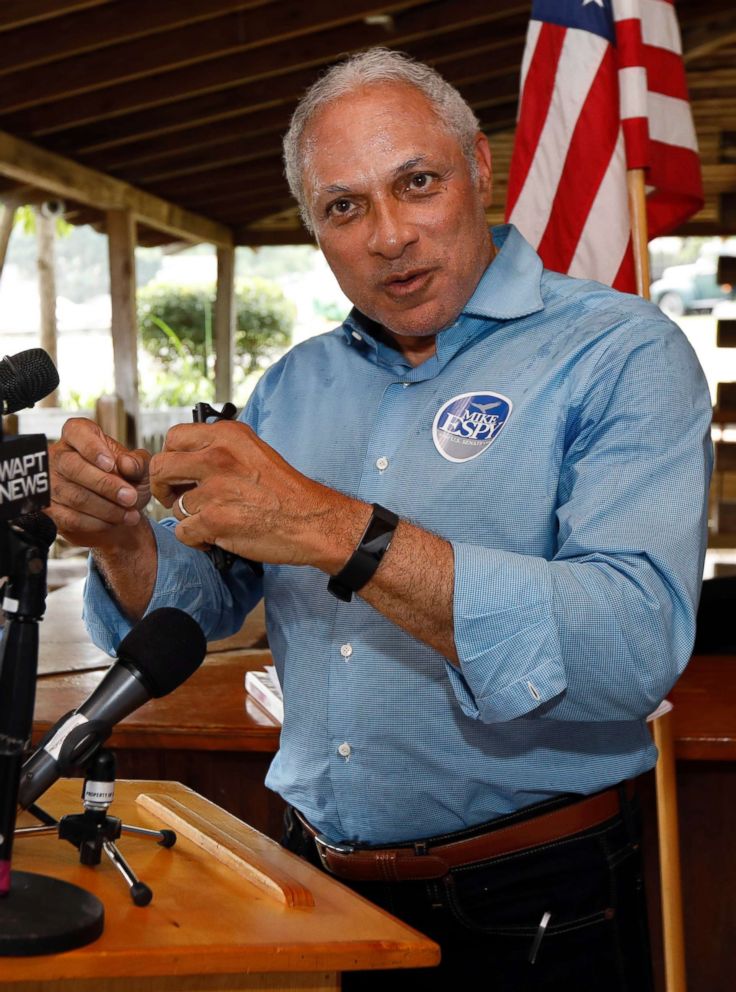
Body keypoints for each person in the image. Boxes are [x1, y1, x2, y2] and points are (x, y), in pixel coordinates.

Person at [48, 49, 712, 991]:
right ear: (316, 228)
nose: (390, 235)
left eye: (418, 183)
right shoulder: (294, 383)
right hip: (308, 882)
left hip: (530, 899)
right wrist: (119, 537)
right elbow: (202, 611)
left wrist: (337, 530)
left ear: (479, 168)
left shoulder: (620, 350)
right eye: (345, 207)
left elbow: (632, 643)